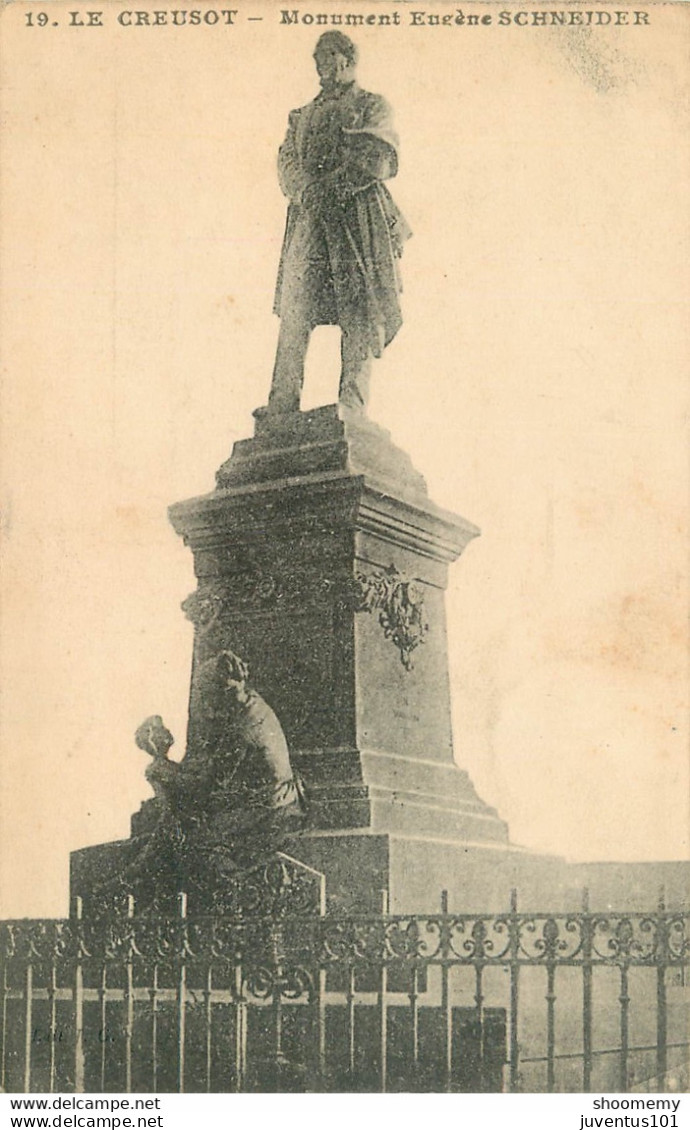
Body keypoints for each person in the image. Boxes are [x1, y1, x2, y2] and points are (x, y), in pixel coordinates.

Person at [269, 31, 411, 415]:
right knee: (295, 306)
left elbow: (378, 152)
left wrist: (334, 187)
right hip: (311, 216)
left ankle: (353, 402)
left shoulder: (372, 105)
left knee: (358, 308)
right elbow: (286, 161)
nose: (320, 66)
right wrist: (305, 192)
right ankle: (281, 403)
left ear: (348, 60)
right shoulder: (301, 116)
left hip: (354, 217)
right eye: (317, 59)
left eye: (327, 58)